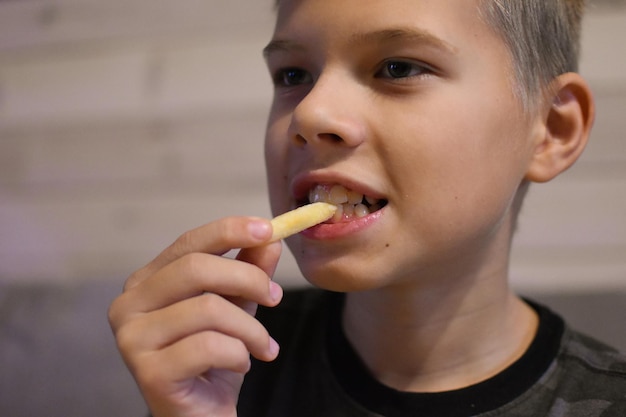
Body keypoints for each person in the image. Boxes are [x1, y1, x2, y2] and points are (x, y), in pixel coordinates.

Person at [108, 0, 626, 416]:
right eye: (292, 75)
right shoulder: (228, 361)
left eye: (397, 67)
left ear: (551, 131)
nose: (311, 113)